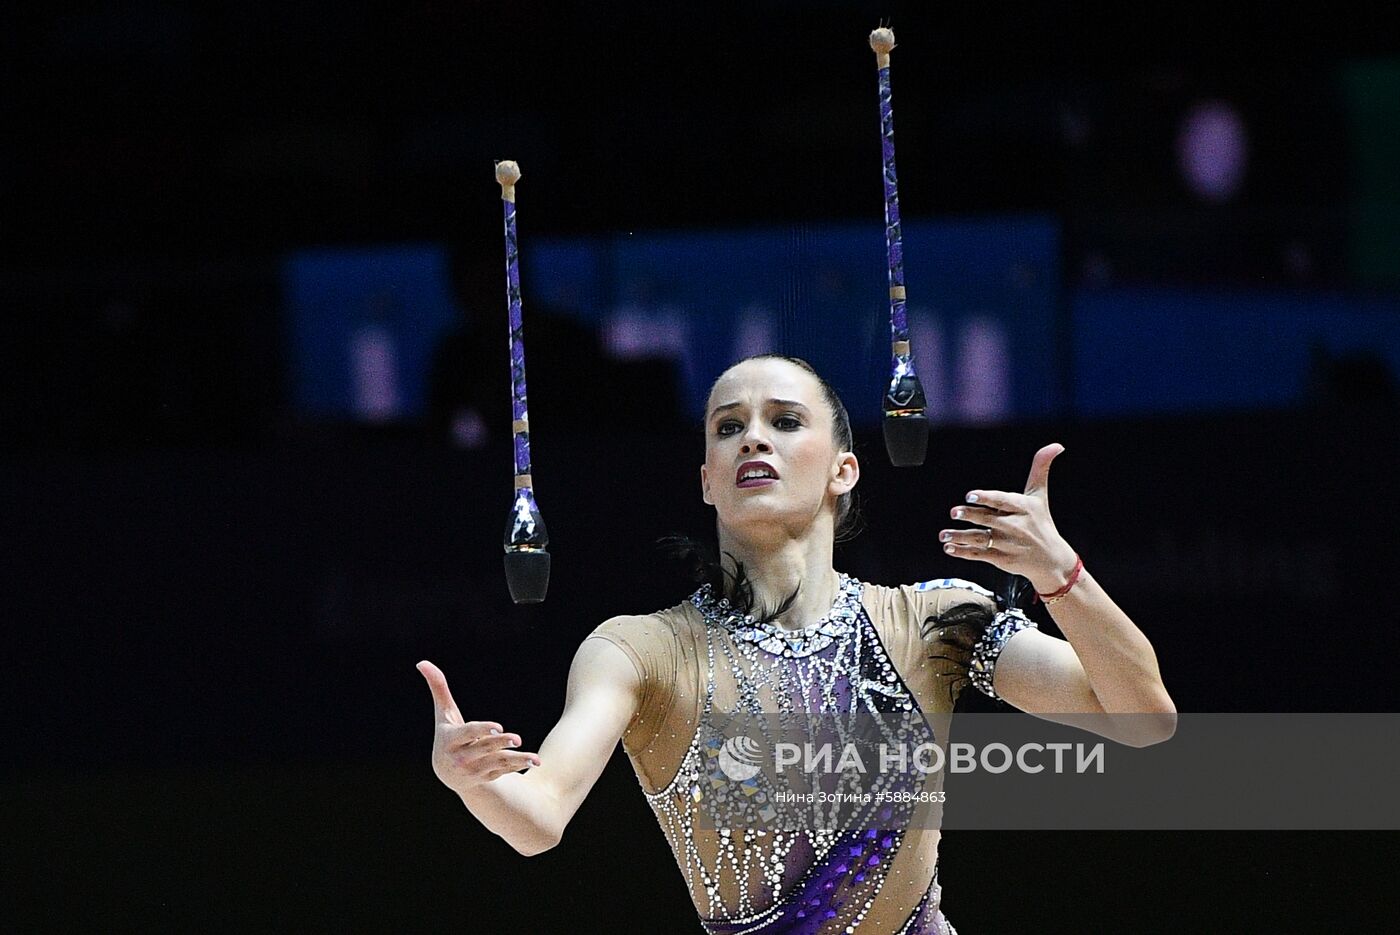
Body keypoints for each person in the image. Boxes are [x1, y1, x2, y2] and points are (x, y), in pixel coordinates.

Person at [417, 354, 1176, 933]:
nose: (753, 435)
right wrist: (470, 779)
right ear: (708, 480)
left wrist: (1059, 572)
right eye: (727, 425)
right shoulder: (642, 651)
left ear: (844, 468)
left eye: (785, 420)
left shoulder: (937, 622)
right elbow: (540, 814)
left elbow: (1143, 717)